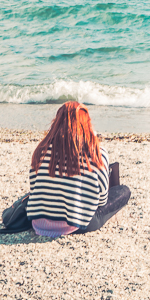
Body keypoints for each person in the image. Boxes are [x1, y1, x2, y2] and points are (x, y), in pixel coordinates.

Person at [27, 101, 131, 237]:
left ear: (56, 122)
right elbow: (102, 200)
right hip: (77, 225)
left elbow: (33, 188)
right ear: (87, 124)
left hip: (39, 223)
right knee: (123, 191)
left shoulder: (41, 150)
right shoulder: (96, 153)